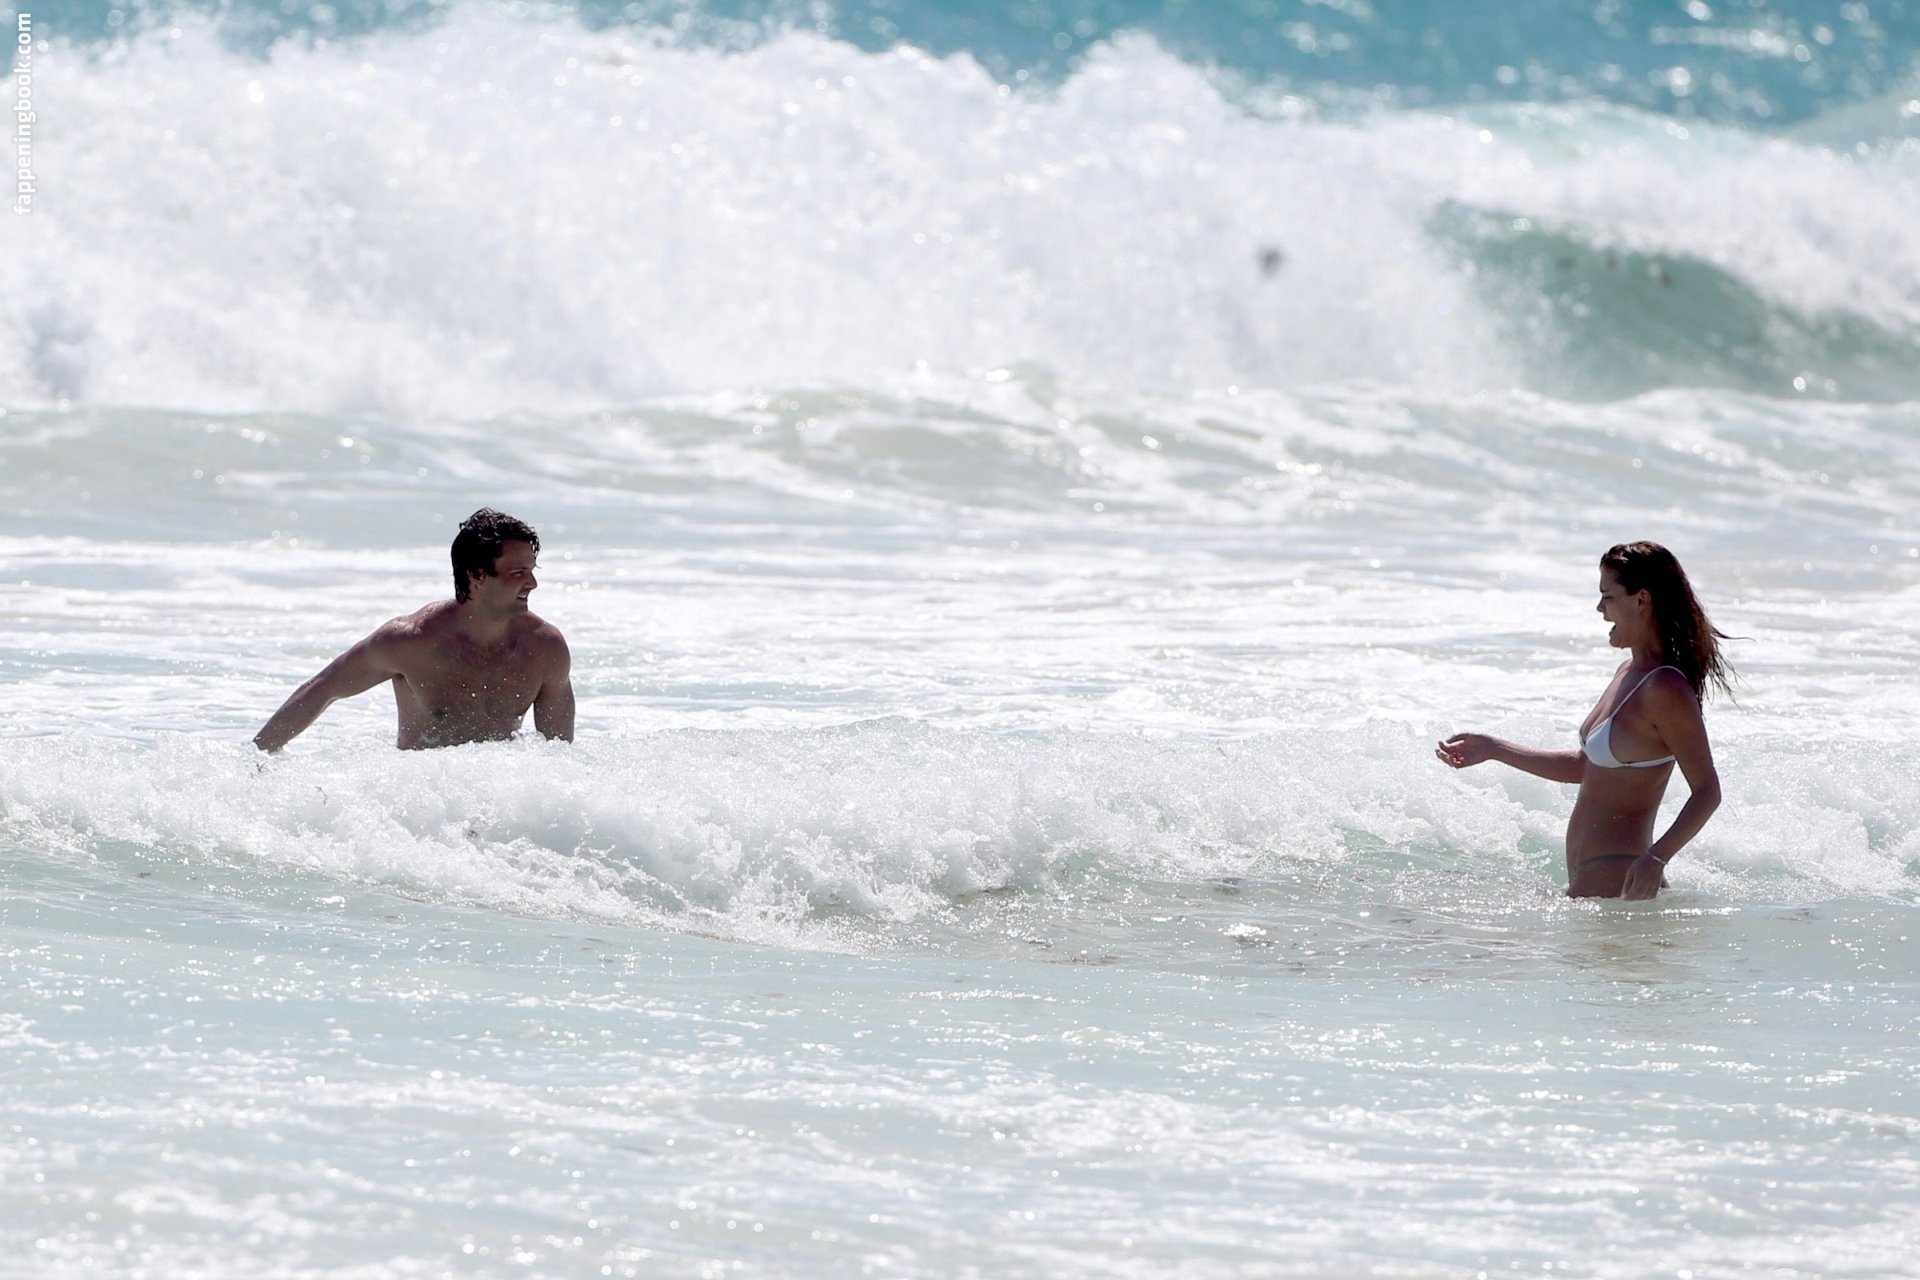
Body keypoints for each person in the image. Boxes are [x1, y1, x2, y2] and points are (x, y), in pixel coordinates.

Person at [1435, 542, 1731, 900]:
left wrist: (1656, 859)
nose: (1600, 608)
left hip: (1619, 886)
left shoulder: (1664, 688)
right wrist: (1495, 748)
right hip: (1594, 885)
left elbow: (1707, 791)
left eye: (1608, 596)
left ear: (1641, 600)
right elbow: (1586, 767)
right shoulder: (1629, 672)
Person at [254, 508, 575, 752]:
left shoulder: (545, 649)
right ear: (477, 575)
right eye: (518, 573)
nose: (532, 583)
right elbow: (323, 689)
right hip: (422, 809)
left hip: (496, 810)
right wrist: (257, 759)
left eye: (531, 571)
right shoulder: (411, 642)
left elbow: (559, 757)